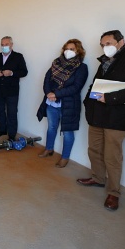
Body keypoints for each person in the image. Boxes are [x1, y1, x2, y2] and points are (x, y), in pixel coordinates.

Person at [78, 30, 125, 211]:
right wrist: (87, 103)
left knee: (112, 156)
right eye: (103, 45)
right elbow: (95, 85)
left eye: (109, 43)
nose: (105, 48)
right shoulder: (104, 61)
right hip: (97, 115)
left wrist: (110, 98)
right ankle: (97, 178)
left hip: (118, 118)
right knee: (94, 149)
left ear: (121, 41)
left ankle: (114, 192)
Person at [36, 39, 88, 168]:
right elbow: (47, 79)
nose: (68, 51)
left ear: (78, 51)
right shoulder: (56, 63)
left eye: (72, 49)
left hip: (69, 105)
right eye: (66, 48)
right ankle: (49, 149)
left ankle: (65, 157)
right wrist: (49, 93)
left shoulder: (81, 67)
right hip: (51, 103)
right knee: (51, 127)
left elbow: (76, 87)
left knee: (67, 132)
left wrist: (57, 94)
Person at [0, 36, 28, 140]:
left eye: (6, 44)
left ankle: (12, 135)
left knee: (12, 113)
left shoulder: (18, 57)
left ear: (11, 45)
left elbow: (24, 72)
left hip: (12, 90)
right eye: (2, 45)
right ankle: (2, 130)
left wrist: (12, 73)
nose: (4, 46)